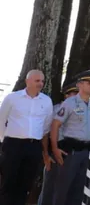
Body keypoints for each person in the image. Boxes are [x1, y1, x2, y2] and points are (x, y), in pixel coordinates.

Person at [0, 70, 54, 205]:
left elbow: (46, 126)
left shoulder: (46, 101)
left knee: (25, 184)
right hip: (13, 145)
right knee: (8, 182)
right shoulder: (12, 98)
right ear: (27, 81)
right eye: (37, 81)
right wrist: (4, 141)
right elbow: (1, 120)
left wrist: (43, 150)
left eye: (42, 81)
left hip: (33, 146)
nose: (40, 84)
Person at [50, 70, 90, 205]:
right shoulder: (70, 103)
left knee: (79, 191)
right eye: (89, 83)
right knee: (63, 190)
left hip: (87, 152)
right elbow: (55, 125)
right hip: (71, 151)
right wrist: (54, 148)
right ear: (80, 85)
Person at [39, 81, 78, 205]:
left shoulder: (80, 111)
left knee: (67, 190)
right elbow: (46, 132)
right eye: (74, 93)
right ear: (66, 95)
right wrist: (47, 153)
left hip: (73, 152)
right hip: (56, 150)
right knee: (50, 189)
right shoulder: (55, 109)